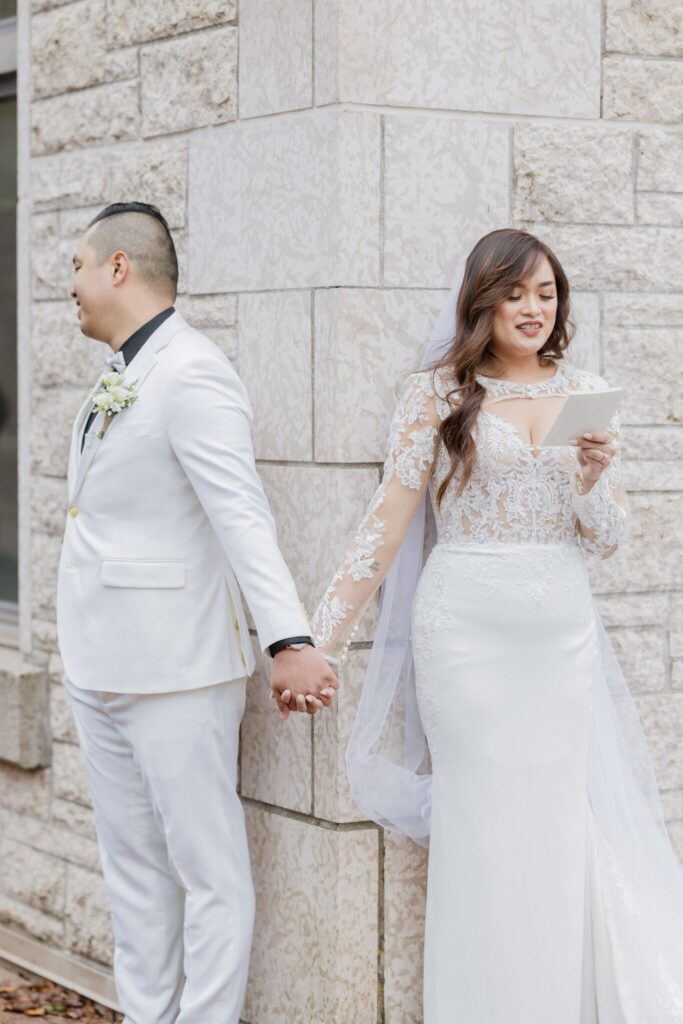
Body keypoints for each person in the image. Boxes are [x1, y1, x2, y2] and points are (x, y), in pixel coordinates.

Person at [287, 227, 683, 1021]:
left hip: (558, 635)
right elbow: (386, 525)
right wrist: (313, 640)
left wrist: (596, 475)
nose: (532, 308)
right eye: (514, 292)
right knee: (483, 824)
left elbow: (603, 540)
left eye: (545, 293)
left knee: (554, 819)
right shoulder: (437, 394)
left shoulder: (585, 392)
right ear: (482, 301)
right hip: (465, 632)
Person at [57, 201, 337, 1024]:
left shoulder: (193, 371)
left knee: (209, 876)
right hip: (99, 664)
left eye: (77, 265)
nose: (68, 285)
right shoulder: (117, 375)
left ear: (118, 267)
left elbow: (241, 513)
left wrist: (289, 638)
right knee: (134, 874)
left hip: (176, 669)